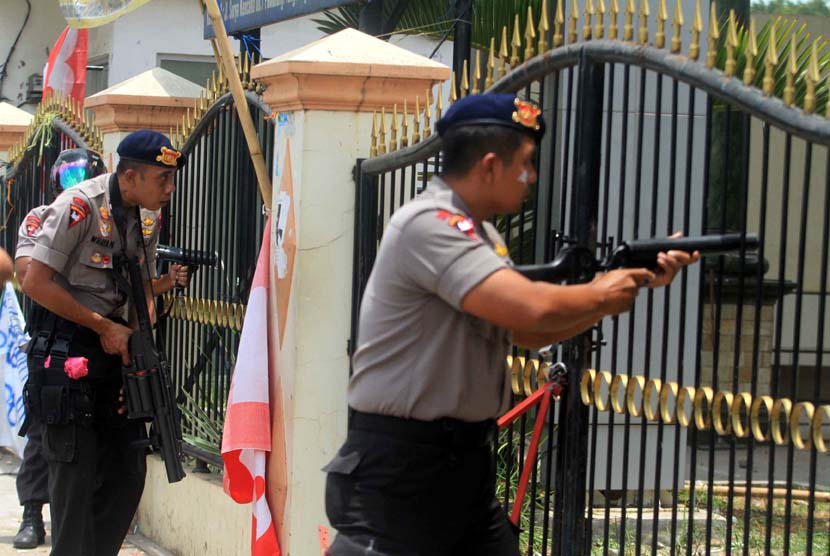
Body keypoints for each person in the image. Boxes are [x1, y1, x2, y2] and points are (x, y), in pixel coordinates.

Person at [323, 94, 699, 556]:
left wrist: (624, 289)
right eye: (525, 162)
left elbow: (528, 333)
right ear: (488, 166)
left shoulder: (480, 234)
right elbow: (531, 309)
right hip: (401, 471)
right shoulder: (430, 225)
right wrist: (602, 291)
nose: (532, 176)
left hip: (463, 468)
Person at [11, 148, 189, 550]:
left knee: (129, 474)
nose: (170, 189)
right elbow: (34, 282)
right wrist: (101, 326)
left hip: (115, 353)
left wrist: (137, 346)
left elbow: (138, 287)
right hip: (67, 354)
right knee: (73, 491)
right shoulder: (77, 207)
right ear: (129, 177)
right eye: (161, 179)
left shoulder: (146, 216)